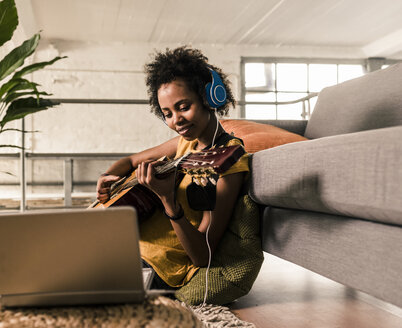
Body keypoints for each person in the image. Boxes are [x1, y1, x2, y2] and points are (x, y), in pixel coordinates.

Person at [96, 46, 249, 291]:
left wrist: (168, 199)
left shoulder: (229, 160)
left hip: (160, 267)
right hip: (126, 247)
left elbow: (203, 256)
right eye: (167, 113)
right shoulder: (183, 144)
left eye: (183, 107)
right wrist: (108, 177)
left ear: (210, 98)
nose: (175, 120)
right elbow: (130, 161)